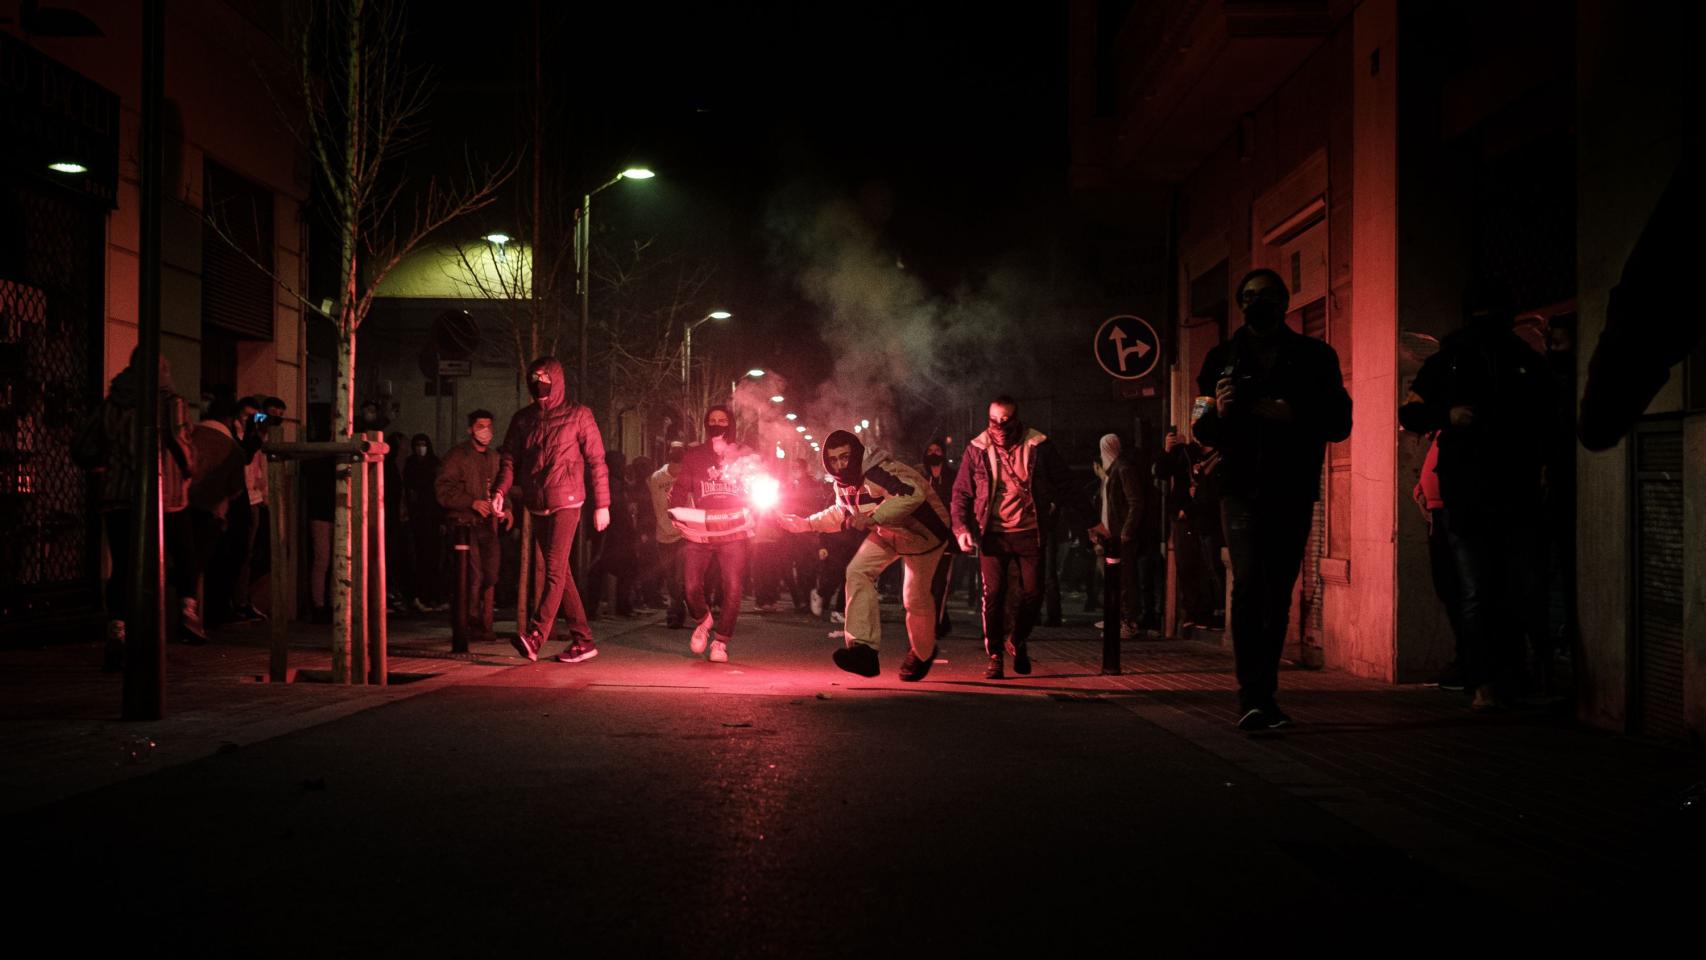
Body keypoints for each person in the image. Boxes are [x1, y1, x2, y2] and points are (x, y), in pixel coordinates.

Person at [1194, 268, 1352, 731]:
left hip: (1290, 487)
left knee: (1277, 591)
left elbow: (1340, 422)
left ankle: (1265, 694)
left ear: (1284, 301)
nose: (1253, 303)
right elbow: (1201, 426)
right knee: (1248, 588)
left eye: (1263, 295)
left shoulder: (1314, 356)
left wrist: (1294, 413)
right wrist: (1218, 412)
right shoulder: (1220, 357)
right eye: (1246, 296)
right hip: (1239, 489)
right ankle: (1253, 696)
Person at [1400, 280, 1552, 710]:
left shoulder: (1518, 359)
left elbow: (1546, 417)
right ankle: (1486, 678)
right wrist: (1447, 415)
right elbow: (1411, 412)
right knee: (1481, 588)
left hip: (1507, 488)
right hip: (1471, 491)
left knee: (1495, 587)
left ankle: (1500, 678)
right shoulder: (1452, 360)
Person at [780, 431, 950, 680]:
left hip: (923, 535)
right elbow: (842, 511)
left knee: (914, 598)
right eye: (834, 459)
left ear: (857, 454)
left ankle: (922, 654)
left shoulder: (880, 470)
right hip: (887, 531)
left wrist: (873, 517)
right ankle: (864, 651)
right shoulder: (843, 483)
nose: (840, 464)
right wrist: (805, 524)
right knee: (857, 571)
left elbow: (911, 493)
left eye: (845, 457)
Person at [76, 348, 196, 664]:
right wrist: (188, 468)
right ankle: (187, 608)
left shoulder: (113, 403)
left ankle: (118, 629)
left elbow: (85, 444)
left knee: (124, 567)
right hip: (164, 495)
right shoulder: (171, 402)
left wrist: (101, 465)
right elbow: (179, 440)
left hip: (118, 495)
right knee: (184, 552)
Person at [492, 357, 612, 664]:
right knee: (562, 573)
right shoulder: (523, 419)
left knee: (554, 569)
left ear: (557, 379)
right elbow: (509, 460)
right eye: (533, 377)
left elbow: (597, 461)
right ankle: (583, 641)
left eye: (544, 376)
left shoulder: (579, 415)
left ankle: (535, 636)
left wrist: (603, 504)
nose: (538, 382)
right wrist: (500, 490)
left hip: (568, 500)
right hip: (538, 502)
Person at [950, 394, 1078, 679]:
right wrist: (961, 530)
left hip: (1029, 531)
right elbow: (961, 492)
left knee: (1034, 593)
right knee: (993, 594)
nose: (998, 426)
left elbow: (1067, 484)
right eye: (993, 420)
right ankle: (995, 655)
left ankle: (1017, 639)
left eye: (1005, 420)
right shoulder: (977, 448)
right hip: (993, 533)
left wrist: (1091, 523)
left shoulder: (1038, 445)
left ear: (1016, 419)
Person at [668, 405, 755, 663]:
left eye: (723, 420)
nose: (718, 425)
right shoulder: (694, 455)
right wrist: (674, 512)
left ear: (731, 424)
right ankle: (703, 620)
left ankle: (721, 641)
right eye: (713, 421)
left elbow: (755, 484)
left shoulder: (742, 455)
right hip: (702, 529)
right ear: (706, 425)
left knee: (733, 586)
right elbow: (682, 487)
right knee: (690, 583)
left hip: (734, 530)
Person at [436, 409, 510, 643]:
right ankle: (468, 622)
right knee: (472, 574)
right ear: (470, 429)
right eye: (480, 426)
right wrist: (472, 502)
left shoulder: (493, 458)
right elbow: (442, 490)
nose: (485, 431)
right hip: (464, 525)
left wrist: (507, 508)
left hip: (487, 525)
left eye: (488, 426)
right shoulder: (457, 457)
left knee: (490, 573)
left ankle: (475, 618)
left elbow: (503, 485)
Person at [1088, 433, 1144, 641]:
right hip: (1110, 534)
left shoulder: (1122, 469)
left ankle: (1129, 622)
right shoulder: (1111, 472)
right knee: (1114, 580)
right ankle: (1118, 618)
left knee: (1125, 580)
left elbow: (1135, 502)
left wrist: (1126, 532)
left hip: (1120, 535)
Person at [918, 438, 959, 638]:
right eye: (930, 450)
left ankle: (937, 623)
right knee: (926, 582)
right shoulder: (920, 476)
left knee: (941, 582)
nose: (934, 453)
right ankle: (940, 620)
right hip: (924, 536)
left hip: (946, 536)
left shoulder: (952, 476)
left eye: (938, 450)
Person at [403, 433, 446, 613]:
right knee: (419, 559)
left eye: (423, 444)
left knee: (434, 559)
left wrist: (442, 520)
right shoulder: (411, 465)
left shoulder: (434, 464)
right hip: (418, 519)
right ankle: (421, 596)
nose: (421, 448)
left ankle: (434, 596)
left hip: (433, 519)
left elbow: (440, 493)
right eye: (418, 445)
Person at [649, 443, 687, 628]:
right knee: (670, 576)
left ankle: (675, 611)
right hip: (664, 534)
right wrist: (667, 527)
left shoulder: (687, 476)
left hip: (684, 534)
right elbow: (658, 508)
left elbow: (692, 504)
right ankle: (679, 607)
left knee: (680, 575)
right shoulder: (657, 478)